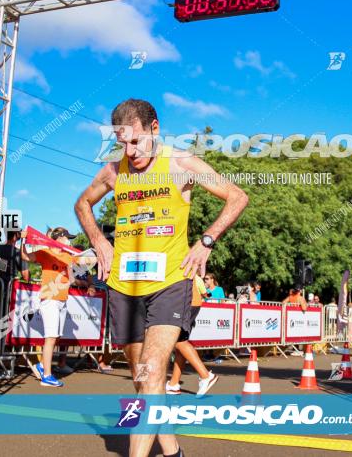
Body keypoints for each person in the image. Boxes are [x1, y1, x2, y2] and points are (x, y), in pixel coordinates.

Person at [74, 98, 248, 457]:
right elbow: (82, 204)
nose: (131, 151)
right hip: (124, 287)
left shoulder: (181, 163)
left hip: (170, 282)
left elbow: (236, 197)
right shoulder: (113, 172)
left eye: (137, 141)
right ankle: (173, 453)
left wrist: (206, 241)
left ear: (155, 129)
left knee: (153, 373)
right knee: (144, 382)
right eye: (122, 143)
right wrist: (98, 241)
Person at [24, 227, 80, 387]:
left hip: (62, 299)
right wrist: (23, 241)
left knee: (56, 336)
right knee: (50, 337)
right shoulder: (46, 252)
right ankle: (47, 376)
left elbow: (74, 275)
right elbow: (26, 256)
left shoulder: (67, 255)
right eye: (67, 237)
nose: (69, 240)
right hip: (49, 299)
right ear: (59, 237)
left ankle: (42, 366)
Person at [166, 275, 218, 397]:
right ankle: (173, 384)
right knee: (180, 342)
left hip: (185, 300)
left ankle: (205, 375)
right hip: (189, 300)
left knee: (178, 341)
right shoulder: (196, 276)